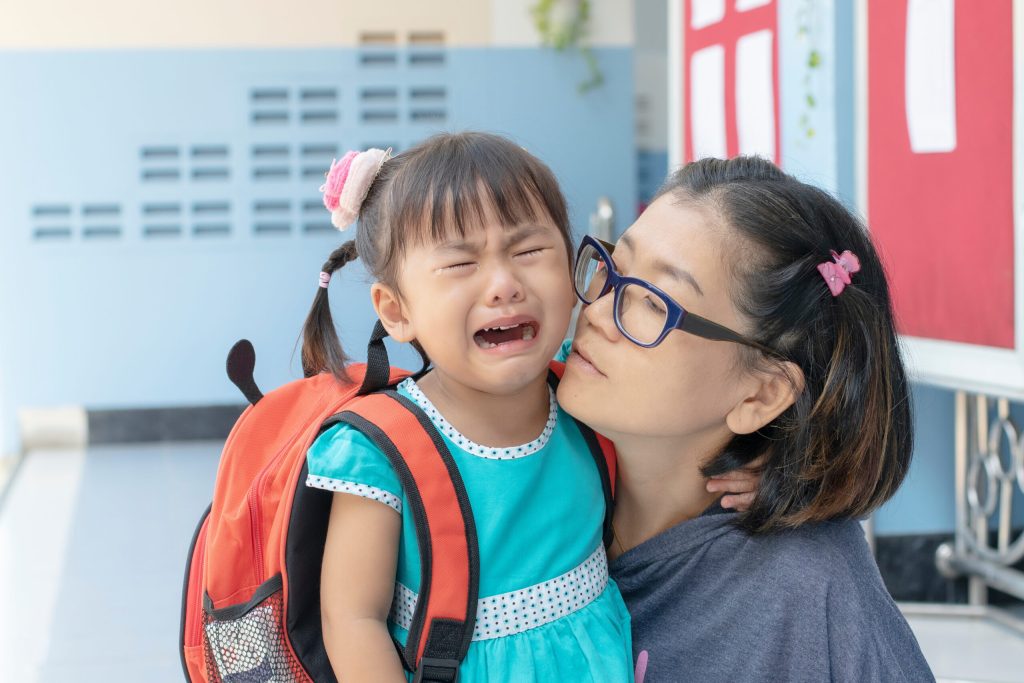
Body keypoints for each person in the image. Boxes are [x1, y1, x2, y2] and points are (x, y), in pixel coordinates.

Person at [557, 155, 935, 682]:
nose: (596, 313)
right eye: (613, 265)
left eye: (652, 302)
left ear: (761, 394)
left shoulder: (807, 591)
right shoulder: (513, 458)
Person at [301, 132, 648, 682]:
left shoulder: (586, 386)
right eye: (461, 264)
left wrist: (745, 467)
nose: (504, 284)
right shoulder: (380, 451)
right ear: (396, 310)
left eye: (530, 251)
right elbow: (352, 618)